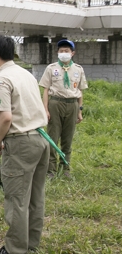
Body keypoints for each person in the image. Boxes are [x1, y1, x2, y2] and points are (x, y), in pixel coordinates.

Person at [0, 35, 49, 254]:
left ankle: (15, 249)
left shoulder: (1, 79)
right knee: (35, 196)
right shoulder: (26, 74)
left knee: (16, 197)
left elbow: (5, 118)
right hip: (41, 139)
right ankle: (31, 244)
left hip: (20, 142)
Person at [39, 39, 87, 178]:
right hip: (55, 103)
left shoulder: (78, 69)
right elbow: (46, 90)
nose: (64, 53)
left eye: (66, 51)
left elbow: (80, 91)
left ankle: (65, 168)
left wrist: (80, 110)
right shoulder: (51, 68)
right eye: (61, 51)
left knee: (68, 138)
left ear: (73, 53)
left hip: (72, 104)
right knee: (53, 136)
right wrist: (46, 109)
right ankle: (51, 170)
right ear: (57, 53)